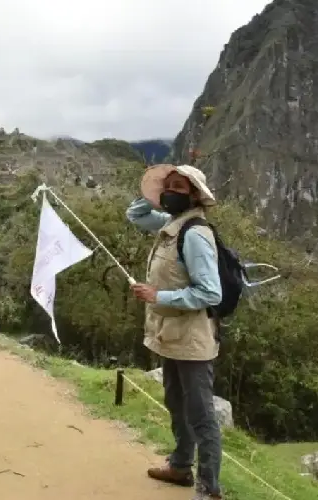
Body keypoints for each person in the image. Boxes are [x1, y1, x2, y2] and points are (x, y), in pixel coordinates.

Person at [126, 164, 224, 500]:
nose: (170, 192)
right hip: (170, 335)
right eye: (167, 187)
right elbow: (135, 214)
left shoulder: (194, 235)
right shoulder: (171, 224)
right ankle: (181, 466)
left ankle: (209, 488)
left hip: (193, 339)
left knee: (201, 414)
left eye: (178, 187)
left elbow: (211, 292)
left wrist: (158, 296)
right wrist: (154, 195)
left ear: (195, 195)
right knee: (175, 402)